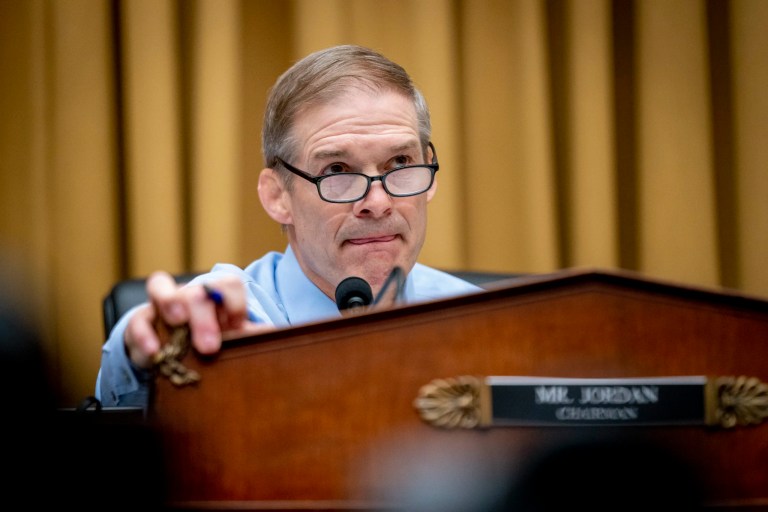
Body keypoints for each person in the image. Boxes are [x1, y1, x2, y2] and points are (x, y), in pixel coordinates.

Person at [96, 44, 482, 408]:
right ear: (278, 196)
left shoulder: (484, 321)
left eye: (399, 163)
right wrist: (146, 345)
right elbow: (134, 380)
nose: (377, 203)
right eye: (336, 170)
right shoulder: (229, 322)